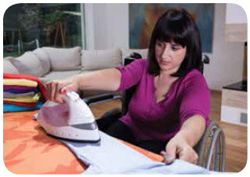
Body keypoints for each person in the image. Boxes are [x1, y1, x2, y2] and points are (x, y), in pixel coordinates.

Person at [46, 8, 210, 165]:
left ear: (188, 51)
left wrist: (184, 139)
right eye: (160, 44)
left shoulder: (194, 81)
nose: (164, 54)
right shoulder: (142, 67)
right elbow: (119, 76)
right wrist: (77, 81)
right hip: (129, 127)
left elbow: (195, 116)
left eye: (174, 48)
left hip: (160, 142)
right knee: (95, 153)